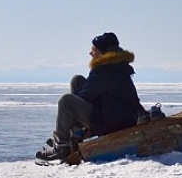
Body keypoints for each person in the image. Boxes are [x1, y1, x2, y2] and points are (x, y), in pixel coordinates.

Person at [36, 32, 143, 161]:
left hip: (111, 123)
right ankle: (75, 135)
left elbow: (85, 97)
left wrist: (73, 121)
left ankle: (61, 146)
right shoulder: (118, 67)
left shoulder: (104, 70)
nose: (90, 53)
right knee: (78, 81)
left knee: (66, 102)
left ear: (102, 52)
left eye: (94, 49)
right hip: (119, 117)